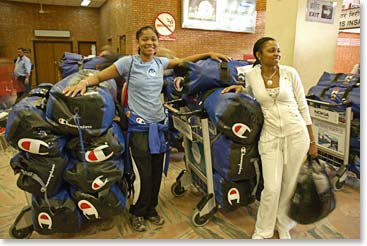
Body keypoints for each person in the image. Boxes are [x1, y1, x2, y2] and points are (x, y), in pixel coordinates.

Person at [63, 25, 230, 232]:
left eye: (153, 39)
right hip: (139, 129)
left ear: (158, 43)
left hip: (159, 127)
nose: (149, 43)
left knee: (156, 173)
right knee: (141, 174)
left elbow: (183, 61)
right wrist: (84, 84)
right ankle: (137, 212)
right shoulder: (128, 63)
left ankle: (151, 209)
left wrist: (208, 54)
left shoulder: (160, 63)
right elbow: (100, 76)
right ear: (138, 42)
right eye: (145, 39)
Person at [222, 37, 318, 239]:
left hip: (296, 134)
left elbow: (303, 106)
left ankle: (284, 224)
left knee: (289, 184)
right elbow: (252, 96)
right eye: (271, 51)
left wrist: (312, 140)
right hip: (270, 136)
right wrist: (241, 89)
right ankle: (263, 229)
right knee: (271, 187)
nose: (277, 54)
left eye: (278, 50)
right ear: (259, 55)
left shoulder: (290, 73)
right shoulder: (251, 74)